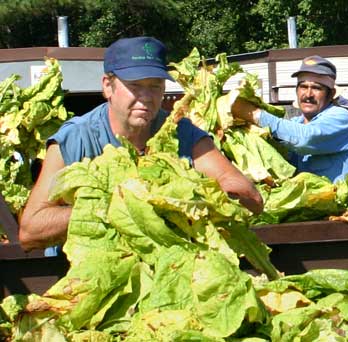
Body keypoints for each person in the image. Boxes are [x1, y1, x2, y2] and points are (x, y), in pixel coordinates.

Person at [19, 36, 263, 252]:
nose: (146, 98)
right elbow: (30, 230)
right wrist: (119, 207)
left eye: (155, 86)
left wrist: (182, 199)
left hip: (175, 268)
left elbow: (249, 197)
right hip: (102, 274)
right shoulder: (76, 139)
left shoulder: (181, 132)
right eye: (134, 86)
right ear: (107, 86)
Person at [232, 55, 348, 186]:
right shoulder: (295, 124)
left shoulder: (340, 117)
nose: (308, 94)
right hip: (312, 205)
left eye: (317, 88)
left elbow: (306, 138)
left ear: (330, 94)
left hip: (347, 206)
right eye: (303, 86)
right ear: (296, 91)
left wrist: (255, 114)